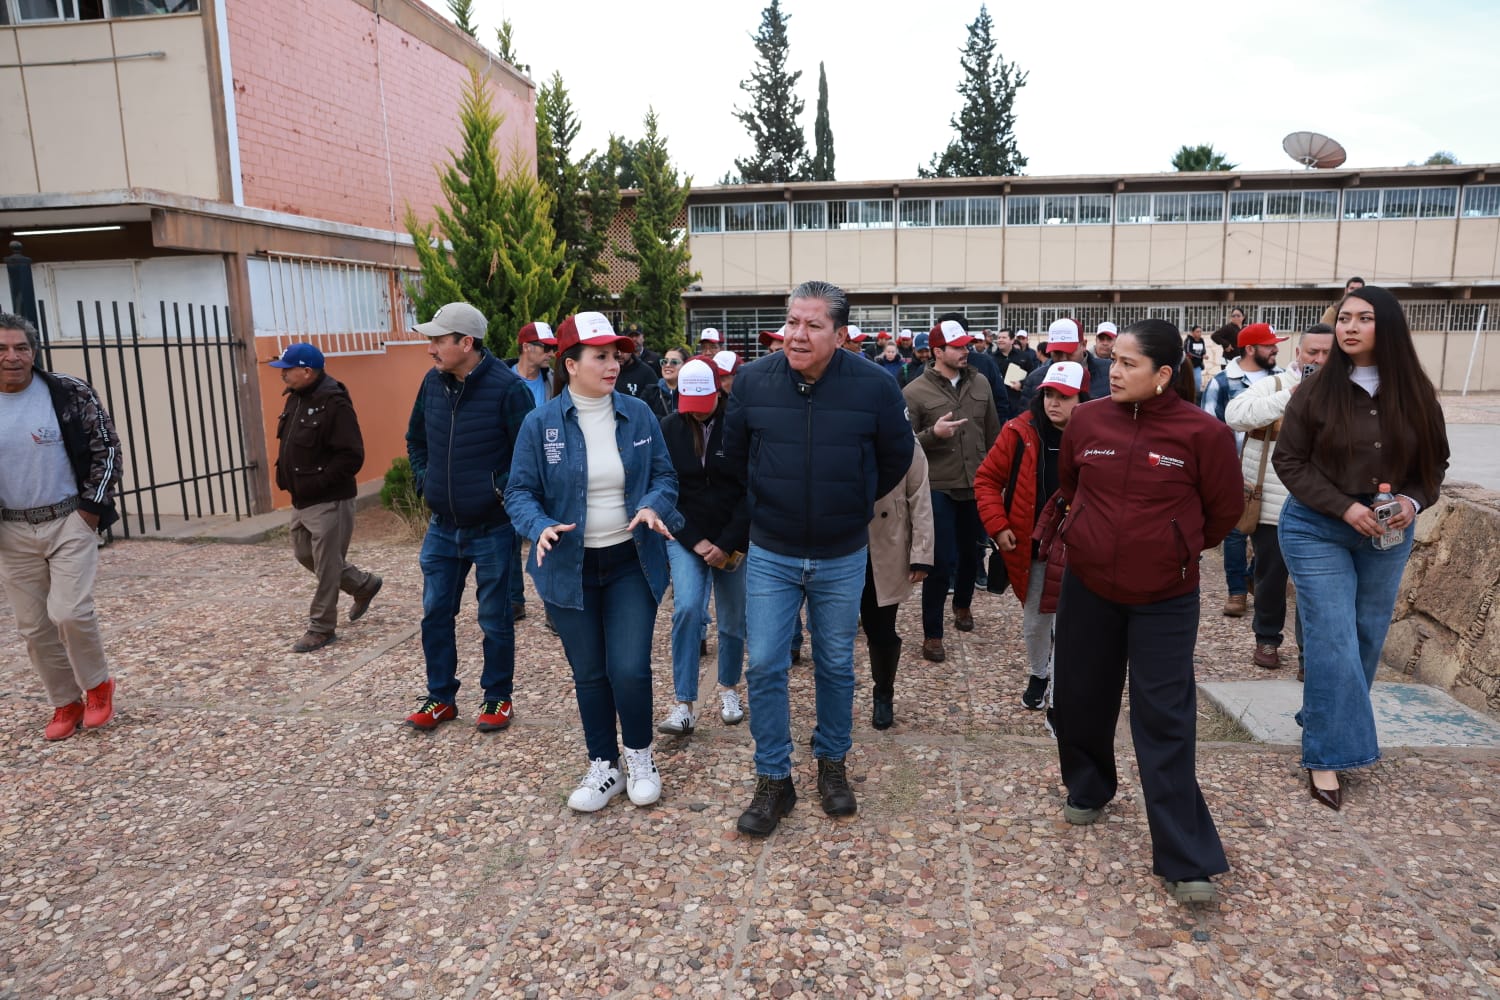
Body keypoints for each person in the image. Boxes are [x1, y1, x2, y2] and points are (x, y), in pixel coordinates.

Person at [1050, 319, 1242, 906]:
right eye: (1113, 360)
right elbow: (1071, 486)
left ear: (1163, 374)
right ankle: (1088, 786)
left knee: (1164, 718)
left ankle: (1185, 857)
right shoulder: (1087, 420)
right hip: (1089, 586)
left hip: (1165, 596)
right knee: (1081, 697)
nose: (1114, 371)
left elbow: (1222, 512)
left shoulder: (1203, 433)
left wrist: (1173, 548)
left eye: (1128, 363)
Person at [722, 279, 914, 836]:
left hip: (841, 552)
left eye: (812, 325)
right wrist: (764, 505)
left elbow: (896, 456)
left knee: (834, 664)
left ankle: (832, 762)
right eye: (791, 322)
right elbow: (735, 458)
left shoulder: (875, 387)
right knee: (765, 664)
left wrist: (852, 501)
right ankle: (773, 777)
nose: (797, 335)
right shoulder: (753, 382)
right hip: (772, 550)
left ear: (841, 334)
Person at [1274, 286, 1448, 811]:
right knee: (1333, 637)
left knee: (1366, 638)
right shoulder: (1315, 390)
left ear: (1386, 326)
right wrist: (1344, 507)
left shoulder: (1416, 394)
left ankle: (1323, 718)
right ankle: (1326, 756)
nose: (1349, 327)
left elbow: (1434, 467)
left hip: (1387, 532)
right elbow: (1289, 461)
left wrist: (1412, 502)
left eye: (1364, 318)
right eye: (1344, 318)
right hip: (1315, 527)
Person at [505, 312, 682, 812]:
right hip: (568, 566)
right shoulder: (540, 423)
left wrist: (653, 505)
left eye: (615, 355)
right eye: (600, 356)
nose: (613, 364)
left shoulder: (638, 414)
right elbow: (518, 491)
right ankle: (604, 765)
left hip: (630, 562)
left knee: (629, 668)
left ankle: (640, 757)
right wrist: (538, 525)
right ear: (570, 363)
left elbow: (666, 477)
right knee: (589, 672)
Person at [404, 301, 534, 734]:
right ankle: (441, 697)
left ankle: (498, 696)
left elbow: (527, 456)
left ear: (466, 343)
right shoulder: (432, 383)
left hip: (492, 527)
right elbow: (415, 440)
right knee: (435, 614)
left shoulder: (508, 389)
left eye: (438, 340)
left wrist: (500, 493)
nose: (431, 349)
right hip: (442, 527)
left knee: (494, 619)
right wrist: (425, 482)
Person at [0, 313, 122, 741]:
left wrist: (91, 509)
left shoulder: (68, 391)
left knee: (69, 612)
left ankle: (97, 686)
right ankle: (65, 701)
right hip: (12, 530)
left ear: (34, 352)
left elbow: (106, 447)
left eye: (21, 348)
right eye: (2, 349)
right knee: (34, 627)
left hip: (69, 518)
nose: (12, 357)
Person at [975, 361, 1086, 711]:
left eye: (1063, 396)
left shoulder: (1098, 435)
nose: (1054, 402)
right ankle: (1040, 673)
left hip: (1083, 544)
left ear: (1081, 399)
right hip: (1035, 544)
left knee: (1077, 618)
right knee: (1036, 619)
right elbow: (986, 479)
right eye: (1049, 394)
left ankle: (1067, 679)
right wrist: (999, 525)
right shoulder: (1019, 431)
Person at [1225, 323, 1334, 673]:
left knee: (1313, 586)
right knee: (1270, 578)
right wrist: (1293, 395)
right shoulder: (1273, 385)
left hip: (1323, 506)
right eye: (1313, 352)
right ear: (1298, 353)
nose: (1319, 359)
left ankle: (1309, 655)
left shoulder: (1348, 394)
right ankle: (1267, 638)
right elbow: (1235, 416)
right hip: (1274, 505)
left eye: (1328, 353)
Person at [267, 342, 382, 653]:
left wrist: (319, 483)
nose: (282, 375)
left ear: (307, 371)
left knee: (327, 567)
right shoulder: (296, 397)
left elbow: (352, 456)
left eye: (287, 370)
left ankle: (321, 628)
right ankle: (363, 584)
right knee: (305, 554)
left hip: (330, 499)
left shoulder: (334, 402)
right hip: (302, 499)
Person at [656, 358, 750, 736]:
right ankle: (683, 702)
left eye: (702, 404)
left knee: (733, 617)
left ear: (718, 391)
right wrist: (695, 539)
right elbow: (665, 489)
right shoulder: (669, 427)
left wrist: (725, 543)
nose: (695, 413)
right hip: (686, 535)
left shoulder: (739, 425)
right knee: (687, 608)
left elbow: (750, 490)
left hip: (732, 537)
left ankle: (729, 687)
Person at [904, 318, 1002, 663]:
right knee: (940, 560)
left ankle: (962, 605)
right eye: (957, 347)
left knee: (972, 554)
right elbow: (902, 445)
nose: (965, 351)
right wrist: (933, 435)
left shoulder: (981, 382)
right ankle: (932, 634)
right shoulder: (914, 392)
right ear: (937, 351)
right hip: (937, 486)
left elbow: (993, 432)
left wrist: (997, 477)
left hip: (976, 482)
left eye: (966, 345)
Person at [1203, 322, 1286, 618]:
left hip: (1277, 475)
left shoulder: (1283, 380)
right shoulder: (1222, 382)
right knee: (1236, 533)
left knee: (1271, 536)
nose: (1275, 349)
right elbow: (1208, 428)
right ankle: (1236, 591)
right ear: (1250, 349)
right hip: (1236, 471)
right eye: (1269, 345)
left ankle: (1252, 577)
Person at [862, 440, 932, 730]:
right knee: (832, 636)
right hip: (841, 543)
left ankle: (883, 692)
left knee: (881, 629)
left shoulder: (904, 440)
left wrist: (921, 554)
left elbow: (920, 496)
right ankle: (831, 712)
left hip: (886, 545)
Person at [1019, 318, 1110, 407]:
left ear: (1083, 345)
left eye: (1069, 352)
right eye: (1057, 352)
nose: (1063, 359)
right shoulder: (1035, 379)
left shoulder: (1109, 372)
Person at [507, 321, 557, 409]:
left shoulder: (554, 381)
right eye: (547, 348)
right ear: (526, 347)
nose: (552, 354)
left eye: (554, 348)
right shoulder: (500, 379)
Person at [656, 345, 690, 413]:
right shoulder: (650, 392)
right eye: (665, 361)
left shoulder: (691, 393)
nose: (667, 365)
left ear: (685, 366)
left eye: (674, 362)